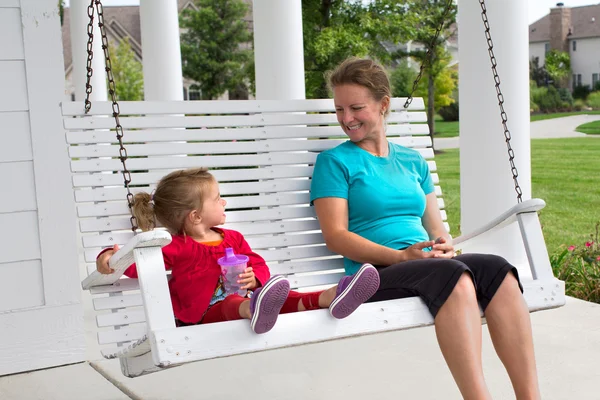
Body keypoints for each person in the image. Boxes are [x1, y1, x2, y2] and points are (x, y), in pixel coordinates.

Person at [310, 57, 540, 400]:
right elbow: (336, 236)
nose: (346, 119)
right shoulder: (334, 162)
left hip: (424, 263)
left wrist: (443, 244)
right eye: (339, 109)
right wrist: (401, 257)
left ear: (383, 105)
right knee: (457, 279)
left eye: (356, 108)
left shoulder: (412, 161)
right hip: (375, 272)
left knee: (498, 271)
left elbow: (437, 229)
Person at [96, 167, 379, 335]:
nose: (224, 203)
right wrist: (109, 256)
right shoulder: (176, 246)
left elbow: (259, 265)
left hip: (245, 297)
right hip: (203, 314)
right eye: (218, 199)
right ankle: (255, 309)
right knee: (233, 305)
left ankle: (331, 296)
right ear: (195, 216)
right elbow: (137, 263)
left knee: (286, 296)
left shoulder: (232, 238)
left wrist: (254, 278)